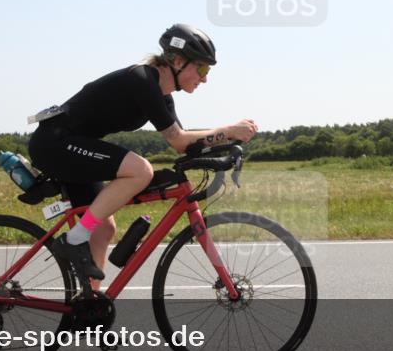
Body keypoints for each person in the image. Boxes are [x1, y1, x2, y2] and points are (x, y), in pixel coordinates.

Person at [28, 24, 258, 288]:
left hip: (73, 146)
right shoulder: (142, 80)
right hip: (54, 143)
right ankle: (72, 240)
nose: (204, 78)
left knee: (103, 228)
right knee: (141, 170)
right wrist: (229, 130)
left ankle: (89, 305)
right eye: (202, 69)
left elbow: (183, 144)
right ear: (178, 61)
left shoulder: (162, 96)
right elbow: (179, 139)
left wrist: (227, 143)